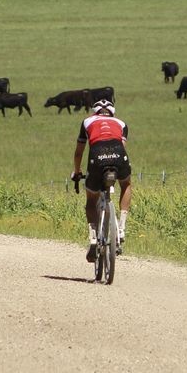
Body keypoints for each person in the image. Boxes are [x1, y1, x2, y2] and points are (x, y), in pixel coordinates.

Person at [71, 99, 132, 262]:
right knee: (126, 184)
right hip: (118, 154)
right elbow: (122, 146)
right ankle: (122, 228)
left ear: (95, 112)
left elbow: (79, 152)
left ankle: (92, 236)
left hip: (97, 155)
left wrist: (77, 172)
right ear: (112, 112)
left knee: (91, 198)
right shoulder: (121, 123)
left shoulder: (87, 122)